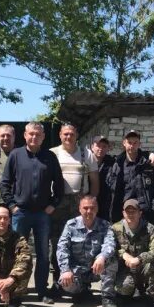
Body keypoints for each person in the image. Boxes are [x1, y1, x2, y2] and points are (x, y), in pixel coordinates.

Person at [0, 121, 63, 304]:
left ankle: (42, 291)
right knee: (18, 254)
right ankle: (17, 291)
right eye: (31, 134)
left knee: (43, 255)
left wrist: (53, 204)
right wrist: (12, 205)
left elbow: (59, 185)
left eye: (38, 134)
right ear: (25, 135)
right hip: (21, 213)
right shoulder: (16, 155)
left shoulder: (50, 157)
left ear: (43, 137)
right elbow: (5, 184)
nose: (34, 137)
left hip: (42, 214)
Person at [49, 123, 99, 287]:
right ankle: (58, 280)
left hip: (80, 202)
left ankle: (82, 283)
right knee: (57, 242)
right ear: (60, 135)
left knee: (81, 242)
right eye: (65, 134)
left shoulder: (86, 154)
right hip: (58, 203)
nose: (68, 137)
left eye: (71, 134)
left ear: (76, 135)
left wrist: (91, 201)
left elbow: (94, 181)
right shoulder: (52, 154)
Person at [56, 195, 118, 307]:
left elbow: (110, 244)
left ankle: (107, 297)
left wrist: (102, 257)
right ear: (79, 209)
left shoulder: (105, 225)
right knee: (65, 283)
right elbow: (62, 248)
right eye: (85, 208)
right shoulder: (71, 225)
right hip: (77, 269)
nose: (89, 211)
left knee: (111, 260)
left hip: (96, 268)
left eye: (92, 208)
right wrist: (65, 270)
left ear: (97, 209)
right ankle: (81, 291)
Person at [111, 199, 154, 307]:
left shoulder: (150, 228)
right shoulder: (115, 228)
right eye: (127, 211)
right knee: (126, 287)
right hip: (124, 269)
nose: (130, 214)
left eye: (133, 211)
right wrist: (123, 254)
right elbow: (110, 248)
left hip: (143, 268)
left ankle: (151, 297)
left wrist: (139, 259)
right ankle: (126, 295)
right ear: (123, 213)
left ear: (140, 213)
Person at [106, 129, 154, 227]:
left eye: (135, 143)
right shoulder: (117, 164)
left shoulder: (149, 163)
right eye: (129, 142)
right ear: (124, 143)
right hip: (123, 213)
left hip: (145, 213)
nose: (132, 145)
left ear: (139, 144)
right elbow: (110, 187)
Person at [89, 135, 115, 221]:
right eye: (98, 145)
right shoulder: (85, 161)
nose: (101, 149)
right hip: (88, 202)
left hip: (105, 204)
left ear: (108, 148)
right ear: (92, 147)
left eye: (104, 146)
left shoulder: (112, 162)